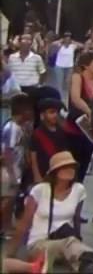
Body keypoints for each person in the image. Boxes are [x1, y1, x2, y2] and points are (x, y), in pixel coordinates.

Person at [6, 151, 93, 272]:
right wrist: (11, 252)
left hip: (67, 241)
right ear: (55, 171)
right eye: (65, 167)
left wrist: (79, 239)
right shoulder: (40, 190)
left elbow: (77, 219)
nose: (70, 170)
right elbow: (25, 222)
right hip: (40, 243)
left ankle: (90, 264)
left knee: (72, 246)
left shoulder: (79, 189)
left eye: (72, 167)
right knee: (69, 244)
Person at [1, 92, 32, 230]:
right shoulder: (12, 128)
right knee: (6, 200)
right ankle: (4, 226)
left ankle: (7, 225)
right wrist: (12, 174)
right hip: (9, 170)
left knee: (10, 199)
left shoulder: (20, 127)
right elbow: (7, 152)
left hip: (14, 169)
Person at [28, 98, 73, 183]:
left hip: (57, 171)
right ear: (42, 115)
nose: (55, 115)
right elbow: (33, 157)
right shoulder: (37, 133)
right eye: (51, 112)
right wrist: (36, 175)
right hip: (43, 172)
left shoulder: (62, 132)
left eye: (56, 112)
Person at [51, 33, 80, 104]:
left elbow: (82, 45)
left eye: (69, 38)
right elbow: (52, 44)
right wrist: (60, 41)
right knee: (59, 84)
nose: (67, 40)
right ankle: (59, 99)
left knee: (68, 84)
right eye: (66, 38)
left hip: (69, 67)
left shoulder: (73, 46)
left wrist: (73, 41)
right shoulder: (59, 45)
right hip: (59, 66)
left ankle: (68, 99)